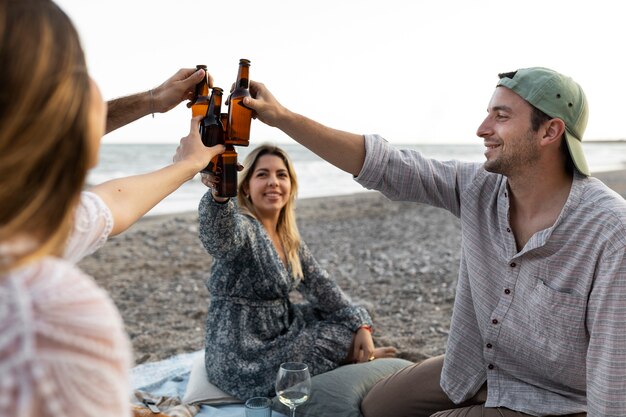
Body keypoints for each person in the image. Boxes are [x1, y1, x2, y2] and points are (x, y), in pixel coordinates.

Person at [236, 67, 626, 416]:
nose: (482, 128)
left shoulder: (609, 230)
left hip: (550, 400)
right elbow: (386, 165)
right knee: (374, 407)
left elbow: (613, 366)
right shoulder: (480, 188)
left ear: (550, 131)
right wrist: (282, 118)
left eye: (501, 116)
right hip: (474, 367)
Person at [0, 1, 224, 416]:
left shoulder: (28, 236)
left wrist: (158, 107)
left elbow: (107, 206)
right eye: (78, 72)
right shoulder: (46, 314)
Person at [197, 143, 397, 400]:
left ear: (291, 185)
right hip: (241, 353)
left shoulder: (289, 238)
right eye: (262, 174)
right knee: (337, 336)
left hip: (279, 329)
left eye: (281, 175)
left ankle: (356, 352)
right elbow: (219, 238)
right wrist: (219, 196)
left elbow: (322, 286)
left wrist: (362, 326)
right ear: (245, 186)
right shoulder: (244, 227)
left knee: (346, 321)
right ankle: (355, 357)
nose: (273, 182)